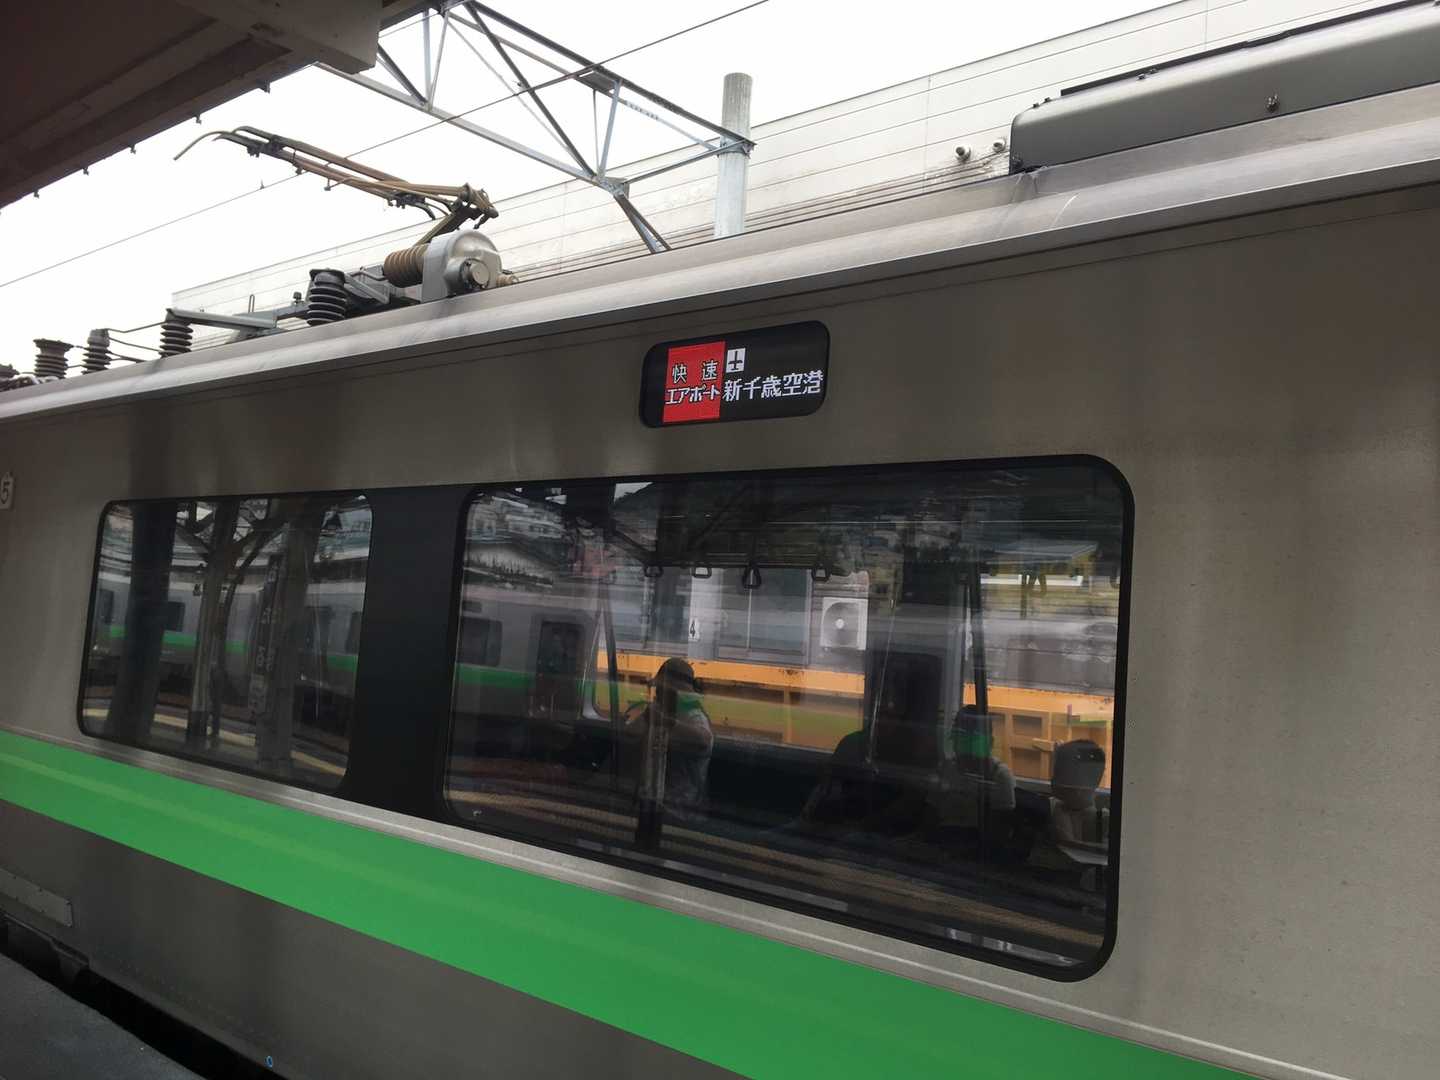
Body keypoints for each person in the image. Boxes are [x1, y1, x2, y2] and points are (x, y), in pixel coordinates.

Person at [625, 658, 714, 830]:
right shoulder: (659, 711)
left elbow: (704, 740)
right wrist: (647, 716)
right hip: (655, 802)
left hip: (681, 811)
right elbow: (629, 734)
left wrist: (667, 722)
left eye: (661, 689)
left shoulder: (694, 715)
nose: (657, 693)